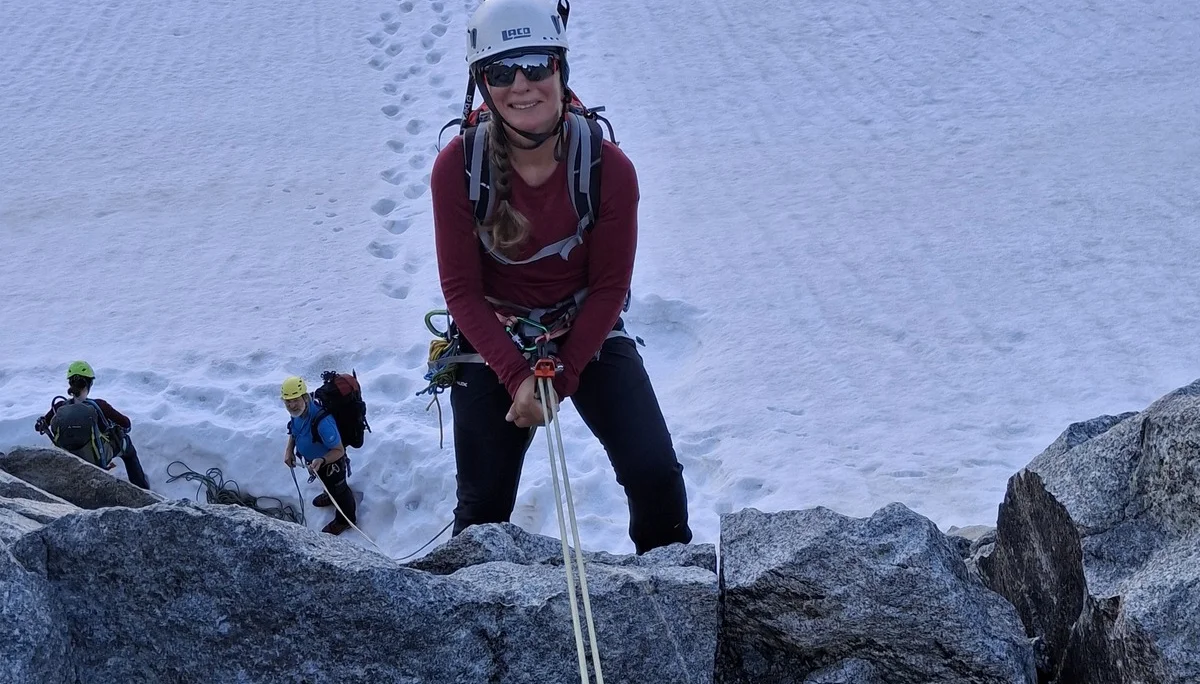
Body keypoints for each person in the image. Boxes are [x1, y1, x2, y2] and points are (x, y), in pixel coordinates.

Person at [430, 0, 691, 554]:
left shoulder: (608, 168)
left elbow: (609, 288)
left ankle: (673, 602)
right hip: (494, 333)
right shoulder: (457, 168)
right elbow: (461, 291)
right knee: (482, 511)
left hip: (585, 325)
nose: (521, 84)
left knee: (656, 479)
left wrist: (562, 376)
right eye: (502, 71)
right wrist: (516, 376)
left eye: (536, 65)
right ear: (482, 82)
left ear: (560, 69)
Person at [35, 360, 151, 490]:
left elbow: (40, 425)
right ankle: (142, 488)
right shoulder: (100, 406)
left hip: (68, 454)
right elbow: (127, 425)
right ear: (89, 384)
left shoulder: (59, 407)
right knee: (127, 446)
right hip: (97, 457)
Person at [281, 376, 357, 535]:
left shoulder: (323, 422)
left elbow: (338, 450)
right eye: (287, 401)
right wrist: (289, 449)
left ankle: (345, 520)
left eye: (295, 400)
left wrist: (322, 460)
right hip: (317, 463)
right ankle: (329, 495)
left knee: (340, 490)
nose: (292, 405)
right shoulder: (298, 413)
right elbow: (294, 431)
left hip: (331, 463)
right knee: (328, 484)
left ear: (305, 398)